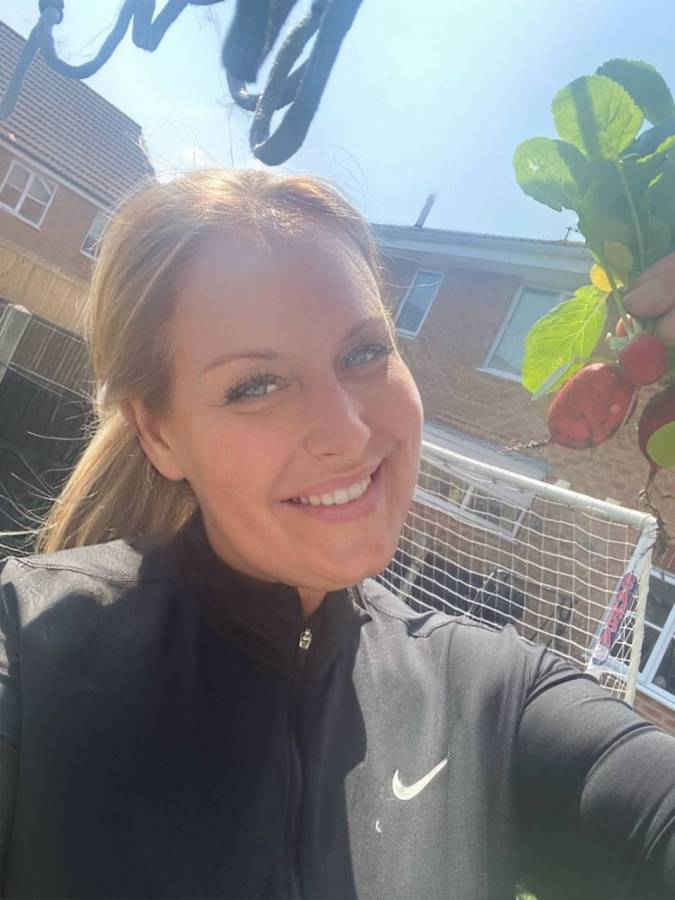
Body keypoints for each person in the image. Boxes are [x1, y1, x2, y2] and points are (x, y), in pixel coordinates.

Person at [0, 168, 673, 900]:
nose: (348, 433)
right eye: (256, 385)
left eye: (364, 353)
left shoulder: (492, 698)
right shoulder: (28, 650)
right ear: (159, 434)